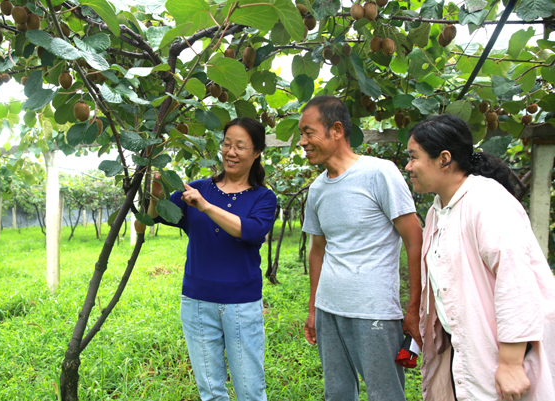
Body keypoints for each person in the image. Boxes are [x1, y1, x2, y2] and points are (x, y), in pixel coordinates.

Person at [405, 113, 555, 401]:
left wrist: (511, 363)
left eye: (414, 157)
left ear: (444, 159)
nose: (409, 167)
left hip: (500, 352)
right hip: (466, 346)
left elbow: (517, 282)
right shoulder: (439, 209)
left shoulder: (487, 202)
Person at [299, 95, 423, 401]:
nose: (302, 142)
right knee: (337, 393)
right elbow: (317, 250)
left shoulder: (380, 173)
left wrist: (414, 307)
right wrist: (314, 307)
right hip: (329, 310)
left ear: (337, 130)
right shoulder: (316, 190)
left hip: (374, 312)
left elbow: (414, 238)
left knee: (385, 395)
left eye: (307, 132)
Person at [147, 117, 277, 401]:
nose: (231, 152)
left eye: (240, 146)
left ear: (256, 153)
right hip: (196, 304)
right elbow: (159, 215)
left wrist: (206, 207)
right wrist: (157, 195)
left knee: (250, 390)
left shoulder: (264, 198)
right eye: (227, 144)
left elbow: (251, 230)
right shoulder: (198, 188)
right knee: (211, 391)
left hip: (241, 306)